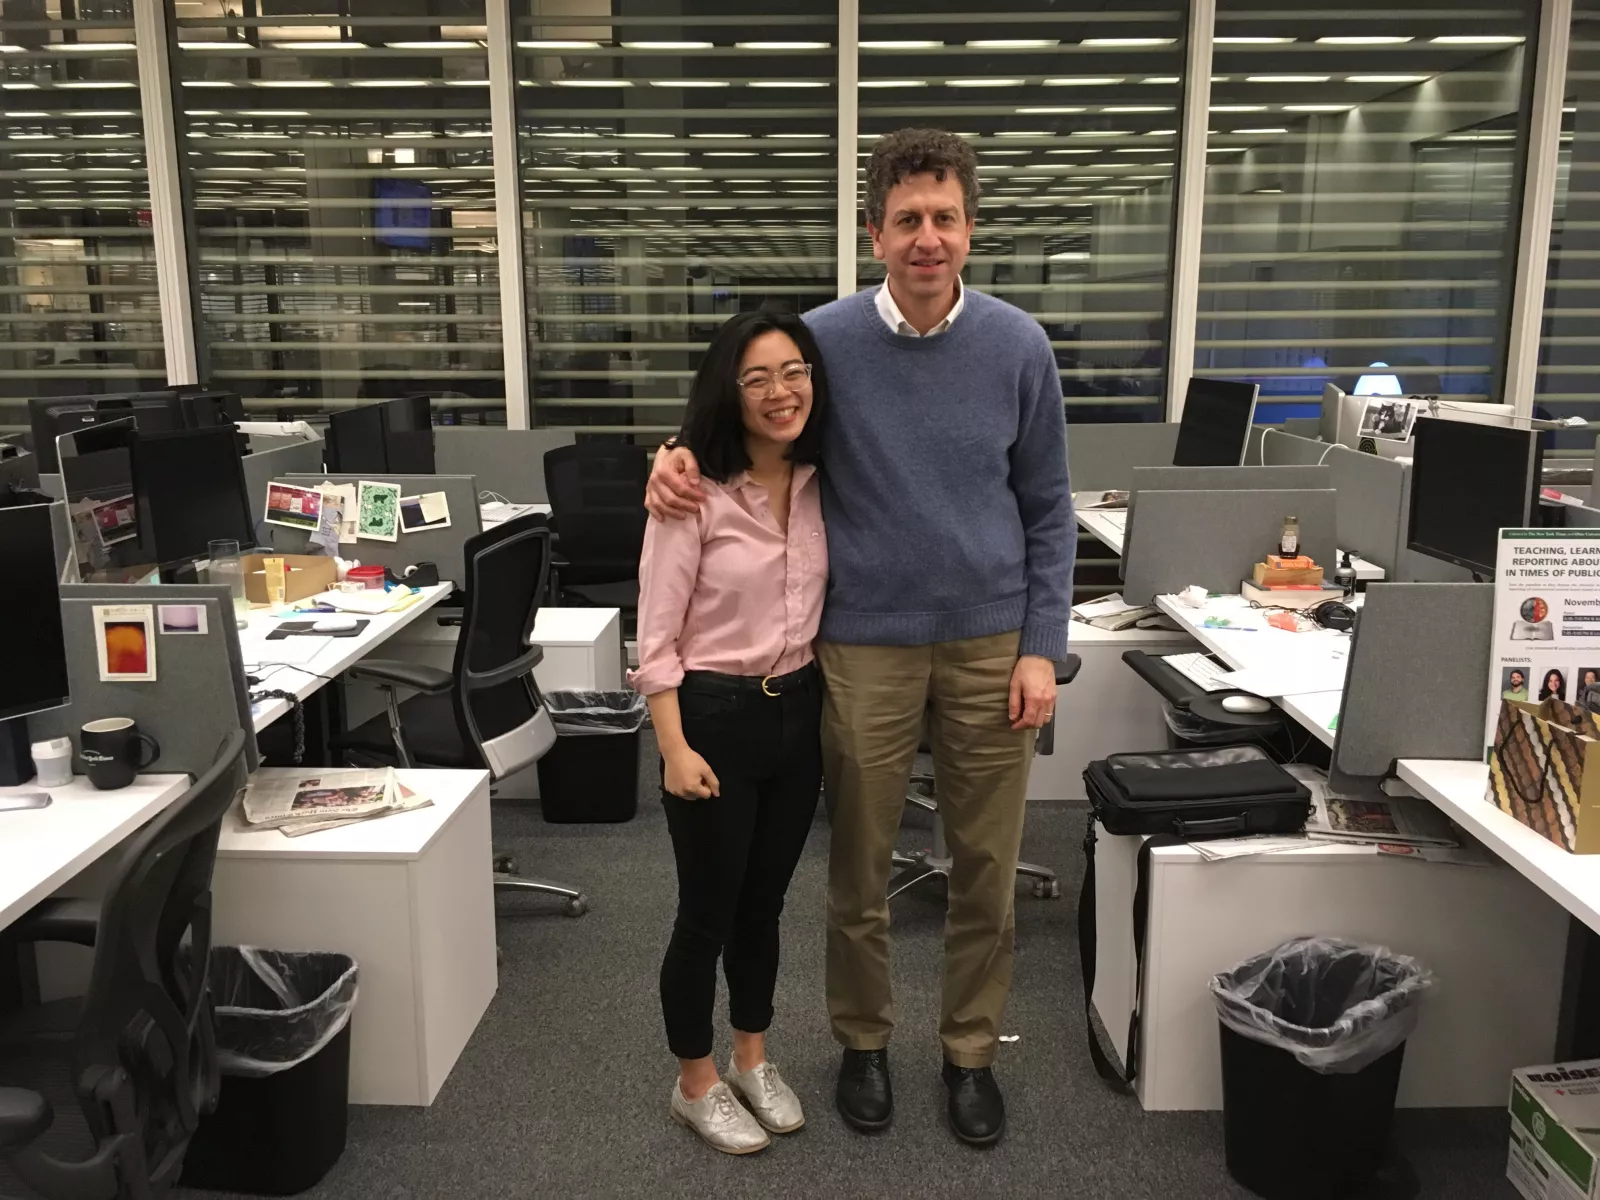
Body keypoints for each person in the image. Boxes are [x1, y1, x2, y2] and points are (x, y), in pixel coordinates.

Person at [646, 127, 1075, 1147]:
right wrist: (669, 454)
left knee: (984, 865)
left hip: (988, 641)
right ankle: (864, 1045)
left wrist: (1039, 645)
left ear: (970, 228)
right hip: (862, 646)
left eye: (946, 219)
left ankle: (969, 1055)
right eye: (908, 220)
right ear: (872, 230)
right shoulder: (827, 341)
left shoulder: (1020, 346)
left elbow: (1049, 507)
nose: (928, 239)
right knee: (861, 869)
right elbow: (744, 407)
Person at [629, 308, 831, 1156]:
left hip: (800, 712)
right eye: (757, 379)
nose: (780, 392)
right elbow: (657, 638)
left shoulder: (825, 477)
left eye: (793, 372)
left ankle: (752, 1058)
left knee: (765, 907)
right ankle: (695, 1082)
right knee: (706, 913)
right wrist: (672, 748)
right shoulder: (691, 493)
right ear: (730, 391)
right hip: (713, 718)